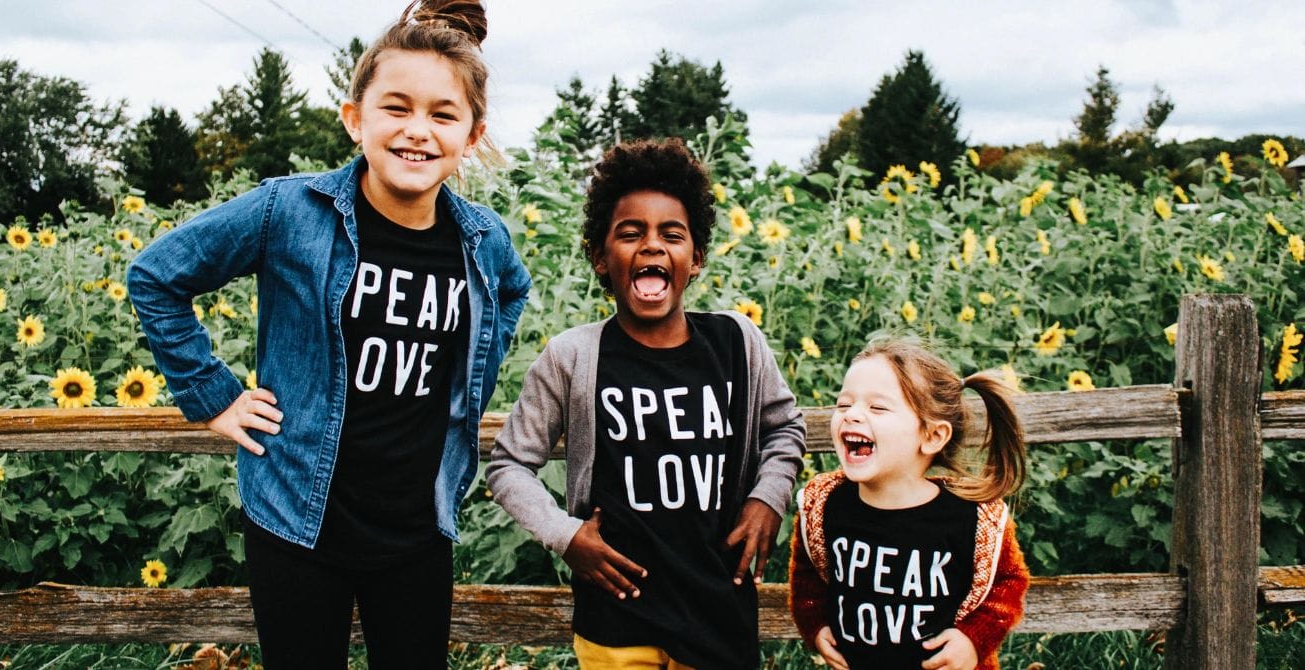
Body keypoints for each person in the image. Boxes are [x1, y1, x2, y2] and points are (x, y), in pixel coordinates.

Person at [127, 2, 529, 667]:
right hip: (297, 521)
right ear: (355, 120)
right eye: (396, 108)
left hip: (417, 527)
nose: (417, 132)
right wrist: (214, 394)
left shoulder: (483, 240)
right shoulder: (290, 211)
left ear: (471, 133)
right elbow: (157, 275)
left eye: (442, 114)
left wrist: (471, 379)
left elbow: (510, 293)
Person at [486, 139, 806, 668]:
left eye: (671, 235)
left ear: (695, 258)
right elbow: (509, 465)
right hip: (616, 620)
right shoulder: (573, 356)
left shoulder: (737, 343)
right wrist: (566, 537)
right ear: (600, 257)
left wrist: (768, 497)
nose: (652, 246)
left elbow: (784, 428)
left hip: (718, 612)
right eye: (630, 234)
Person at [788, 340, 1029, 670]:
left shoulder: (971, 519)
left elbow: (1008, 586)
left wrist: (973, 639)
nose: (852, 416)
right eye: (843, 405)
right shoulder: (825, 507)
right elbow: (808, 579)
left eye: (878, 408)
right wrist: (816, 626)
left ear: (932, 436)